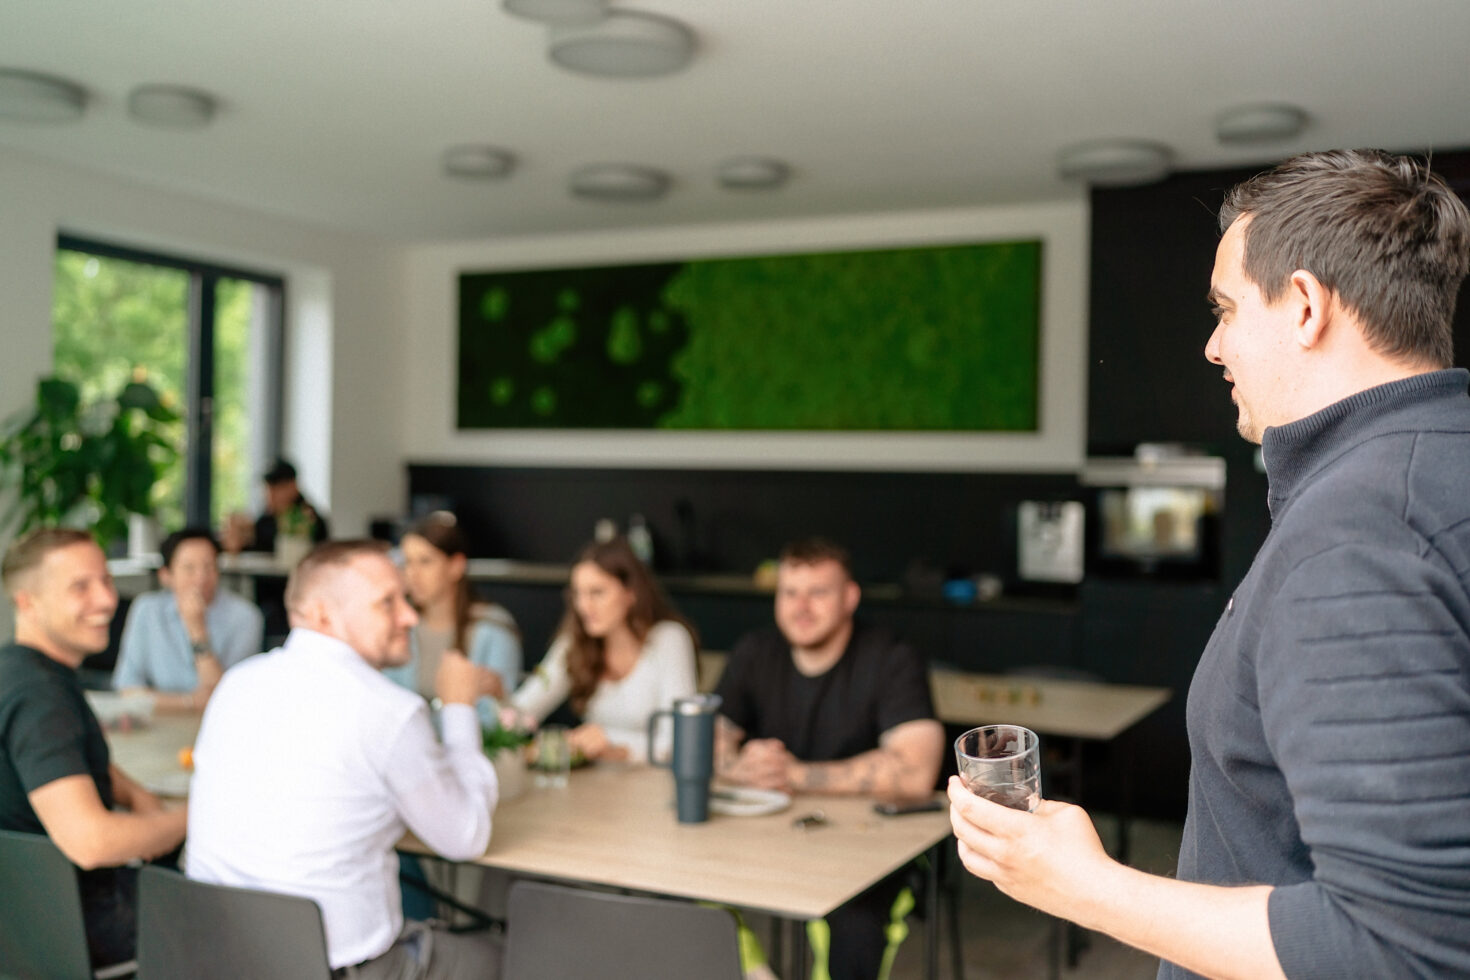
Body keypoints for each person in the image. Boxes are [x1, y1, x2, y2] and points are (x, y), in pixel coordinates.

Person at [947, 149, 1470, 979]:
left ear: (1304, 307)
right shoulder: (1439, 468)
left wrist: (1081, 885)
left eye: (1226, 310)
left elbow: (1397, 951)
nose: (1212, 347)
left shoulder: (1361, 533)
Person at [185, 540, 501, 978]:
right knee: (504, 956)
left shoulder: (237, 683)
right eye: (387, 603)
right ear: (321, 613)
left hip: (216, 957)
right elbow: (466, 836)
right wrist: (461, 706)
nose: (409, 616)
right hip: (330, 968)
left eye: (405, 599)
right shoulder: (387, 711)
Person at [714, 537, 944, 980]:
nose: (801, 607)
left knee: (854, 925)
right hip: (770, 834)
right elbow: (708, 740)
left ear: (850, 598)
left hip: (871, 848)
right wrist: (737, 765)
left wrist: (795, 774)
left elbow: (916, 771)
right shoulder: (755, 651)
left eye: (818, 592)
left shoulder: (891, 657)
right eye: (789, 592)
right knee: (681, 885)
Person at [0, 528, 188, 968]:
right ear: (27, 601)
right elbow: (92, 842)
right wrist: (193, 815)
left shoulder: (17, 669)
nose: (107, 600)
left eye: (105, 581)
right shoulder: (41, 698)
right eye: (80, 587)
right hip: (73, 926)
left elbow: (64, 761)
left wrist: (134, 794)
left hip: (26, 913)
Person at [510, 536, 696, 763]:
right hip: (596, 786)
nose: (584, 606)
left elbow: (681, 742)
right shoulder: (574, 643)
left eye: (597, 592)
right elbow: (521, 712)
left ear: (631, 593)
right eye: (578, 594)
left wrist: (611, 741)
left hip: (653, 786)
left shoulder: (669, 639)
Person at [385, 512, 521, 730]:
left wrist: (499, 694)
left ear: (456, 565)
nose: (412, 574)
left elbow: (504, 723)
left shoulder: (493, 627)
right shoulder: (399, 624)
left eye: (425, 561)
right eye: (407, 562)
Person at [112, 527, 264, 712]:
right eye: (189, 568)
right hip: (159, 726)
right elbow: (127, 690)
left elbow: (226, 698)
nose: (201, 578)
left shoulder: (245, 617)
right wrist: (189, 702)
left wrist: (197, 629)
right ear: (165, 575)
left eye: (209, 567)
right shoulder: (146, 610)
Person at [221, 457, 330, 555]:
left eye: (276, 488)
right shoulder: (267, 518)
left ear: (292, 486)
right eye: (267, 488)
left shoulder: (310, 519)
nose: (270, 495)